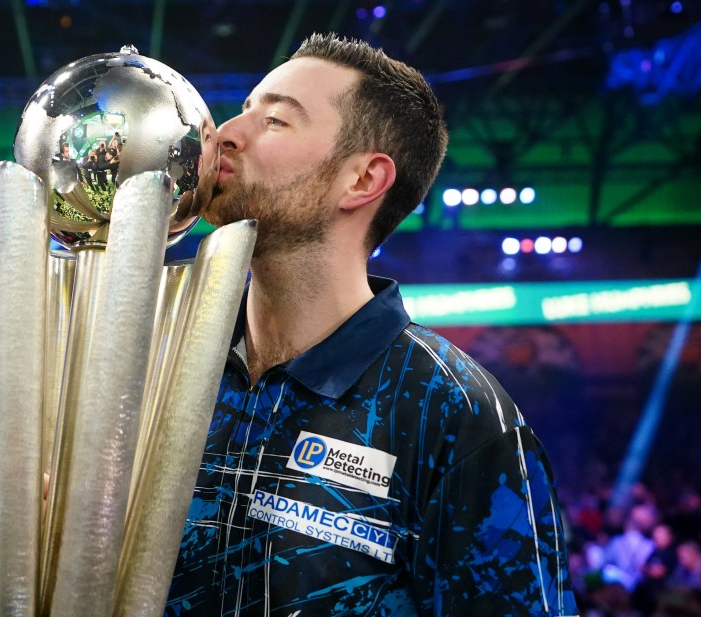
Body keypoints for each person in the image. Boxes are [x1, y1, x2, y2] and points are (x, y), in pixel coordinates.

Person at [165, 33, 578, 616]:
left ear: (362, 180)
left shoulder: (457, 414)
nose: (227, 132)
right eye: (247, 107)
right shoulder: (162, 363)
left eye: (276, 120)